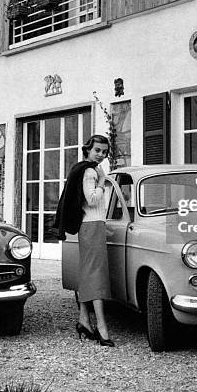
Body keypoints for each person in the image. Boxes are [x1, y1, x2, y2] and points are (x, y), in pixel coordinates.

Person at [55, 134, 114, 347]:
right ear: (88, 149)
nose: (101, 155)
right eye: (97, 150)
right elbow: (91, 199)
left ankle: (83, 320)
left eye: (104, 152)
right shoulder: (90, 171)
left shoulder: (85, 168)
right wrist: (102, 182)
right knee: (96, 274)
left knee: (88, 273)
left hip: (89, 225)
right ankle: (102, 327)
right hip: (92, 225)